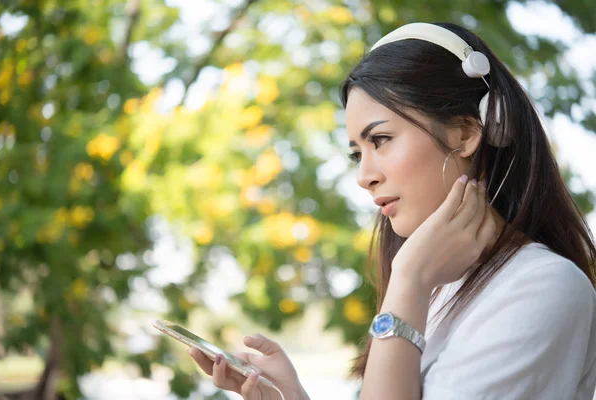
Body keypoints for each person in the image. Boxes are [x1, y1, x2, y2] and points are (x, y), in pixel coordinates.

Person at [188, 21, 596, 400]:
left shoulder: (542, 286)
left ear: (467, 133)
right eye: (355, 154)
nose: (364, 176)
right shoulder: (438, 286)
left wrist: (408, 282)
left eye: (380, 139)